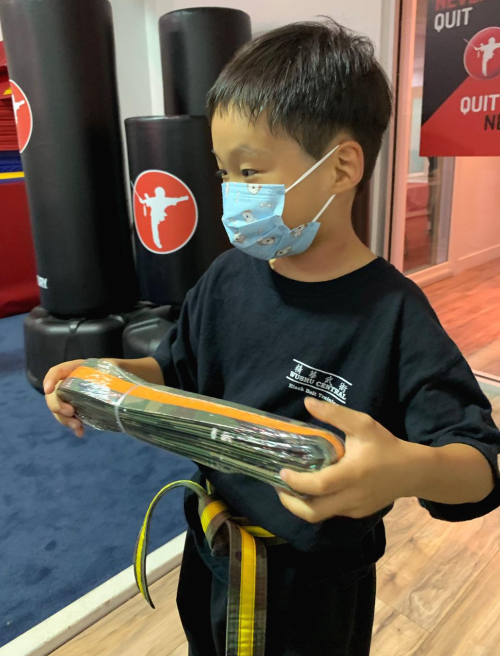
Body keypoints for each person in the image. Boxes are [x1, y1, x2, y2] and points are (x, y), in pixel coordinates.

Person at [44, 19, 500, 656]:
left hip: (313, 591)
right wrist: (108, 377)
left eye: (251, 171)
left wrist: (403, 469)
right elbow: (178, 368)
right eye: (223, 172)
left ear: (341, 167)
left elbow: (480, 466)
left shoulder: (395, 316)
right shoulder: (228, 278)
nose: (232, 194)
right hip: (213, 548)